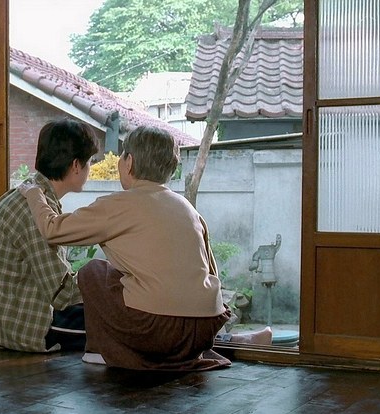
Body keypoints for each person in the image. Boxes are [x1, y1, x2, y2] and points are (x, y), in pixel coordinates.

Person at [19, 125, 271, 371]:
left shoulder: (117, 205)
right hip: (202, 332)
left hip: (156, 331)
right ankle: (222, 344)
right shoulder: (187, 208)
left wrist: (33, 192)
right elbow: (211, 270)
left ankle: (103, 351)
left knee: (94, 272)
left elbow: (52, 230)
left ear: (129, 162)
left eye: (121, 156)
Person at [0, 118, 99, 352]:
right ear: (76, 165)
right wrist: (111, 284)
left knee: (105, 314)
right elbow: (62, 293)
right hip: (22, 327)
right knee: (116, 325)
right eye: (89, 162)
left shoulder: (28, 192)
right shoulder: (34, 210)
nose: (89, 169)